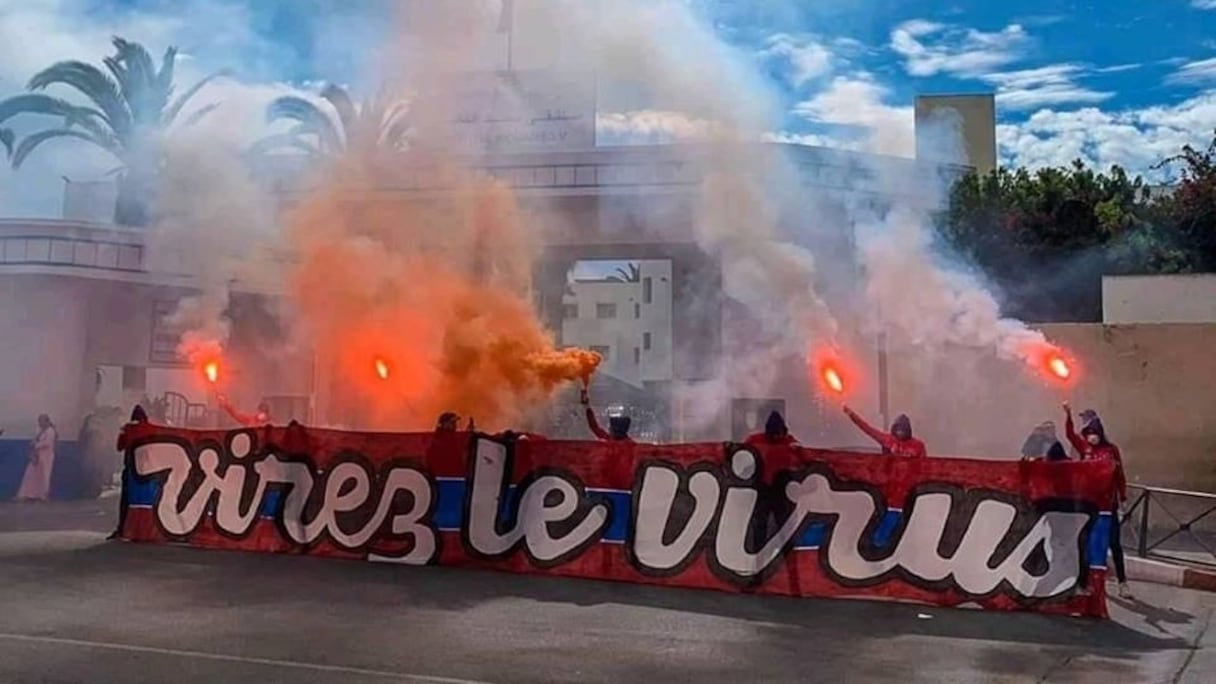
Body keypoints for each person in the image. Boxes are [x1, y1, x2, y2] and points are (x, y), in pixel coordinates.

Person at [1064, 401, 1131, 598]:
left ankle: (1123, 582)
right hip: (1089, 506)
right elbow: (1070, 434)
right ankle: (1082, 583)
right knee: (1085, 543)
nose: (1092, 436)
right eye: (1089, 432)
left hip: (1108, 505)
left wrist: (1123, 497)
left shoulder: (1111, 450)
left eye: (1095, 432)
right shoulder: (1084, 448)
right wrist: (1068, 415)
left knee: (1114, 544)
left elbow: (1120, 474)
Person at [842, 405, 926, 458]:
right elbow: (868, 429)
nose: (900, 432)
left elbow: (925, 466)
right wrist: (851, 414)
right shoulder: (887, 440)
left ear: (908, 430)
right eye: (898, 429)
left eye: (903, 430)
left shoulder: (918, 445)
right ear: (894, 429)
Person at [15, 414, 58, 502]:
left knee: (44, 476)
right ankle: (28, 494)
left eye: (41, 421)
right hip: (37, 456)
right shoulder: (39, 431)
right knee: (30, 474)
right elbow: (36, 439)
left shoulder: (51, 431)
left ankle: (43, 495)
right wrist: (33, 445)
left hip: (46, 457)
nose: (40, 423)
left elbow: (47, 443)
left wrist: (36, 445)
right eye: (39, 421)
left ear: (47, 421)